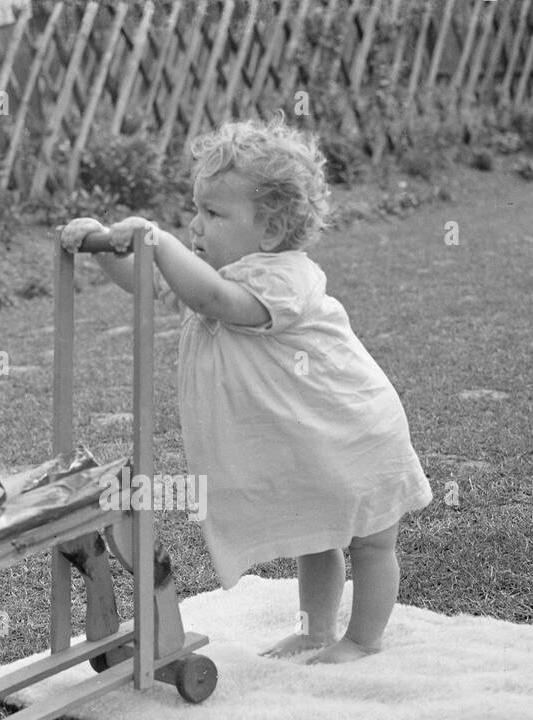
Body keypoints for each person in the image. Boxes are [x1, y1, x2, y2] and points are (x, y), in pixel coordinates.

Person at [62, 116, 432, 664]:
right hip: (307, 438)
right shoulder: (217, 273)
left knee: (370, 542)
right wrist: (109, 248)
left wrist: (158, 240)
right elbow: (155, 285)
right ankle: (315, 630)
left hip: (353, 429)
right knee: (317, 537)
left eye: (213, 213)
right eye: (195, 209)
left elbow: (212, 300)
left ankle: (363, 639)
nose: (195, 224)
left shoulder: (286, 278)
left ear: (271, 232)